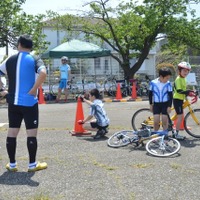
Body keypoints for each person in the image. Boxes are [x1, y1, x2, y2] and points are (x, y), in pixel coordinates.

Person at [0, 34, 47, 172]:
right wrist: (34, 89)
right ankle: (32, 165)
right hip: (29, 102)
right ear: (31, 46)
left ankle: (12, 164)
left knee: (12, 132)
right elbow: (43, 73)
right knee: (31, 133)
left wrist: (2, 90)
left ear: (19, 44)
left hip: (13, 101)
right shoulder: (34, 58)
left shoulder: (10, 59)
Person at [173, 61, 195, 140]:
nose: (186, 72)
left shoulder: (184, 79)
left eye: (187, 71)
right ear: (180, 71)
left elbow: (184, 91)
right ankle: (176, 134)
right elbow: (179, 91)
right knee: (179, 117)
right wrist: (188, 92)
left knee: (178, 116)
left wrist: (191, 93)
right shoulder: (178, 79)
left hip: (180, 99)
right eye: (184, 70)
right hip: (177, 99)